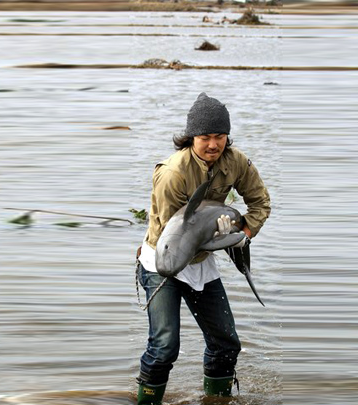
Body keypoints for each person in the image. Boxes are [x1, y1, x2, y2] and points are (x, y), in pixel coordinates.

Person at [135, 93, 271, 404]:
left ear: (227, 136)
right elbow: (175, 235)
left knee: (226, 343)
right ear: (191, 137)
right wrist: (211, 238)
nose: (213, 144)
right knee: (165, 347)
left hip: (202, 261)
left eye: (219, 136)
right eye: (205, 137)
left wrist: (241, 233)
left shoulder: (236, 161)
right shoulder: (172, 174)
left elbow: (260, 202)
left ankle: (216, 401)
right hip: (164, 260)